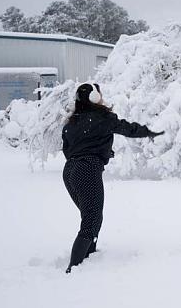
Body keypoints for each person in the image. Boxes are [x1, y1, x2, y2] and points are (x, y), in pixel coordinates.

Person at [62, 83, 164, 273]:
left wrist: (99, 153)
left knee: (92, 218)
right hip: (87, 170)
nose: (101, 97)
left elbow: (69, 149)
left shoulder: (72, 122)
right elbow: (128, 129)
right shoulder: (103, 118)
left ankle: (87, 257)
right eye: (98, 94)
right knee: (91, 219)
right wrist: (148, 132)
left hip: (69, 172)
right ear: (94, 97)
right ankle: (73, 269)